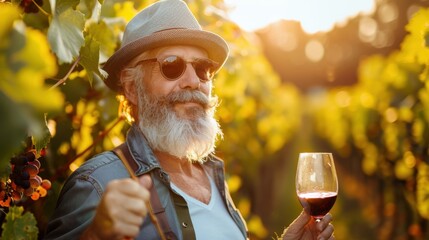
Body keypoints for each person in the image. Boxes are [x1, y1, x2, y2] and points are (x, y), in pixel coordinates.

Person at [44, 0, 335, 239]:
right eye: (172, 66)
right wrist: (95, 235)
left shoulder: (211, 177)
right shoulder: (96, 184)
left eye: (203, 68)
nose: (193, 81)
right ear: (132, 88)